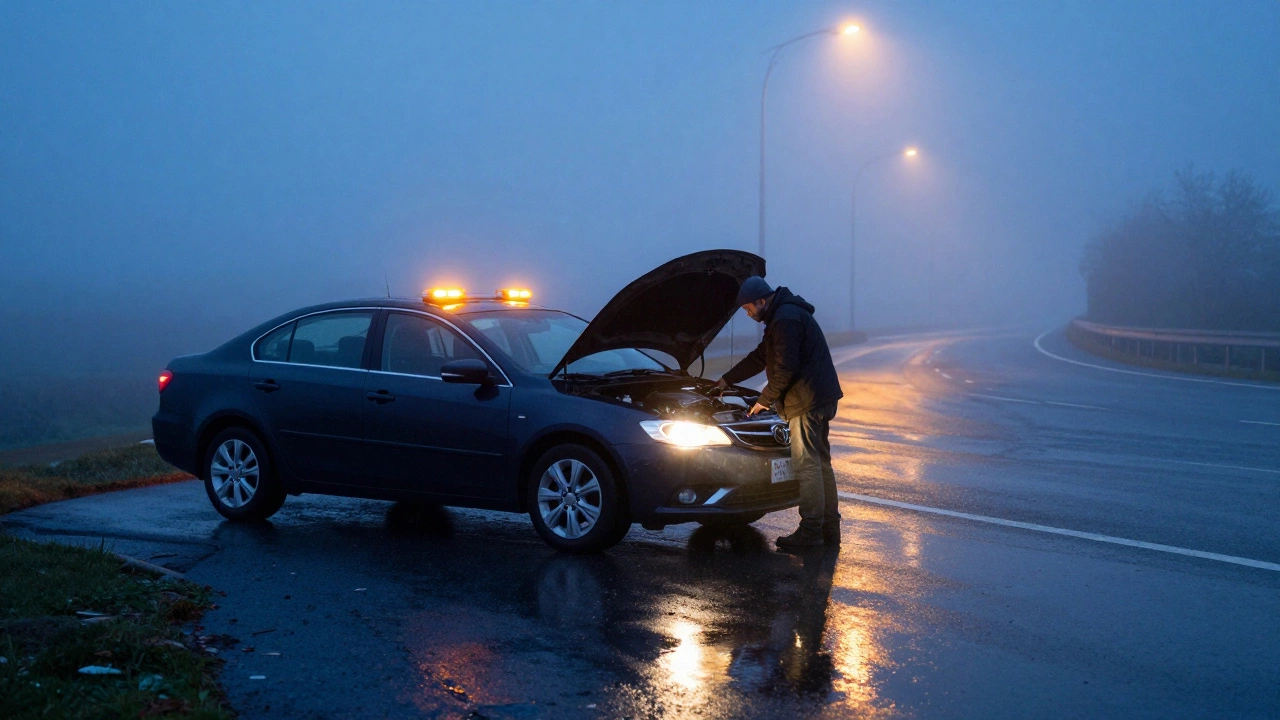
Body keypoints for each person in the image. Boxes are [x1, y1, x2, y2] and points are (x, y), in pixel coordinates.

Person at [716, 277, 843, 548]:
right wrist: (726, 380)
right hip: (819, 398)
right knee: (820, 464)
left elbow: (786, 367)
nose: (747, 313)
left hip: (806, 401)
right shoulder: (783, 315)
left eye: (748, 308)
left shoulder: (785, 319)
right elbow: (761, 355)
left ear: (761, 301)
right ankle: (829, 529)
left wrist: (764, 400)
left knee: (807, 466)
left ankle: (810, 532)